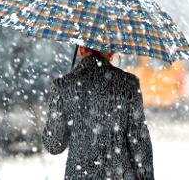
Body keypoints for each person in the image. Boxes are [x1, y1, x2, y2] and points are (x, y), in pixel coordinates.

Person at [42, 46, 155, 180]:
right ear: (111, 52)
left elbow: (54, 145)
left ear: (81, 50)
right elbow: (140, 144)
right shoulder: (129, 83)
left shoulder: (62, 85)